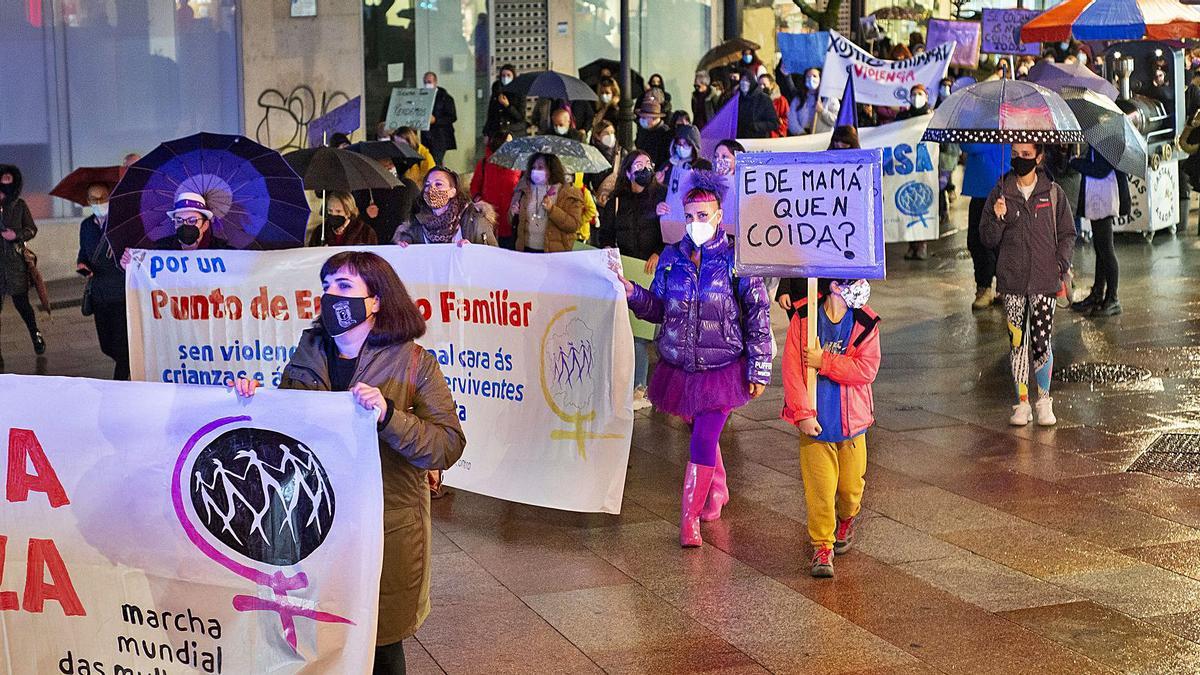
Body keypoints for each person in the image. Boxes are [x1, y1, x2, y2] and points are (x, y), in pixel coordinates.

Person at [231, 250, 466, 675]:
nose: (330, 296)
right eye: (326, 287)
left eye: (343, 287)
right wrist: (257, 399)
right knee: (319, 637)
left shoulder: (414, 363)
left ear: (375, 300)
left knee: (380, 642)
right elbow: (287, 426)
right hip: (314, 522)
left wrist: (389, 417)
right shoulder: (310, 352)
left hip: (385, 523)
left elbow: (447, 445)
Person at [617, 173, 771, 548]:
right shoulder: (671, 258)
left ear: (719, 216)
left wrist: (760, 366)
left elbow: (758, 315)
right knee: (702, 434)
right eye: (689, 216)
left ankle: (689, 520)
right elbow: (658, 310)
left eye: (703, 215)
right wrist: (633, 293)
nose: (695, 223)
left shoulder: (737, 260)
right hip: (680, 367)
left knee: (702, 441)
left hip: (722, 369)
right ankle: (716, 490)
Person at [782, 278, 880, 578]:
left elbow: (866, 369)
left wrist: (824, 360)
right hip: (816, 424)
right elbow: (792, 370)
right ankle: (822, 545)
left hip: (852, 425)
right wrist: (802, 414)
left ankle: (847, 519)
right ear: (835, 284)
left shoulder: (865, 320)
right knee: (820, 491)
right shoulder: (804, 317)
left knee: (850, 490)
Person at [980, 144, 1075, 427]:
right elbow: (986, 238)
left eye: (1026, 155)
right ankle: (1022, 403)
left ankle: (1044, 400)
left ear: (1039, 157)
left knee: (1041, 342)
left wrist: (1059, 264)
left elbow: (1068, 233)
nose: (1019, 160)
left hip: (1045, 282)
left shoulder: (1053, 193)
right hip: (1012, 283)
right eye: (1015, 154)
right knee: (1017, 344)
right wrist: (997, 217)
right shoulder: (1000, 192)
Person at [599, 151, 666, 408]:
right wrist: (609, 251)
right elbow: (605, 235)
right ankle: (635, 386)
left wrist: (658, 253)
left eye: (649, 164)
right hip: (626, 270)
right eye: (639, 165)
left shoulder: (659, 198)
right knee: (632, 330)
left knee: (650, 332)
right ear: (628, 172)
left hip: (651, 271)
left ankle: (648, 385)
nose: (645, 169)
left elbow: (670, 233)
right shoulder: (617, 202)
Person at [777, 127, 860, 316]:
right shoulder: (808, 197)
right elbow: (793, 241)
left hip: (840, 281)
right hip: (803, 285)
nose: (839, 147)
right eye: (836, 143)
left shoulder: (859, 186)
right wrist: (785, 287)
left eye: (845, 144)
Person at [1070, 149, 1130, 317]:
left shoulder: (1107, 138)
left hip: (1104, 197)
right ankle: (1098, 293)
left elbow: (1100, 170)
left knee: (1106, 249)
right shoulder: (1100, 136)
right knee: (1101, 248)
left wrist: (1074, 162)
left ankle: (1113, 299)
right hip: (1098, 196)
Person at [76, 181, 127, 379]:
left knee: (120, 345)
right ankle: (128, 364)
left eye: (102, 198)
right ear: (88, 201)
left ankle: (121, 381)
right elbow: (83, 253)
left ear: (110, 197)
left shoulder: (120, 224)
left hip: (120, 292)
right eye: (93, 199)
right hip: (99, 294)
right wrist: (82, 265)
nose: (98, 202)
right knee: (106, 345)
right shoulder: (86, 225)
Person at [960, 141, 1012, 309]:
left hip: (992, 188)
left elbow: (970, 146)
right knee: (978, 241)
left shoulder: (992, 121)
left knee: (986, 242)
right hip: (982, 189)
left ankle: (991, 288)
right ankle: (991, 288)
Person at [0, 165, 44, 359]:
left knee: (23, 305)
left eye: (8, 178)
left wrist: (15, 235)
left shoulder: (19, 205)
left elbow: (32, 229)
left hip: (15, 264)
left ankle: (36, 334)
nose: (4, 182)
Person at [396, 167, 497, 246]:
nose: (432, 189)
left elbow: (493, 256)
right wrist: (404, 246)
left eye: (438, 184)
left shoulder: (474, 220)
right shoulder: (416, 224)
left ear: (452, 192)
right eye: (427, 185)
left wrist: (473, 251)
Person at [509, 153, 585, 252]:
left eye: (540, 167)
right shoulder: (523, 189)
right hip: (526, 250)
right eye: (533, 167)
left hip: (554, 254)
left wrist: (552, 210)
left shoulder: (568, 193)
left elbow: (574, 225)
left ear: (552, 169)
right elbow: (511, 221)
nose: (535, 171)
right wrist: (513, 213)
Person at [469, 131, 521, 249]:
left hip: (511, 221)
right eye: (508, 142)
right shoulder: (483, 164)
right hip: (489, 220)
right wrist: (481, 203)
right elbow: (474, 187)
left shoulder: (517, 165)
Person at [356, 156, 420, 244]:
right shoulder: (365, 191)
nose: (389, 168)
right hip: (376, 246)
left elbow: (421, 213)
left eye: (390, 164)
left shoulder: (408, 186)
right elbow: (356, 223)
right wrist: (366, 215)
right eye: (383, 166)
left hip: (404, 245)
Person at [309, 191, 378, 246]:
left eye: (338, 211)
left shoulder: (366, 232)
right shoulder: (320, 232)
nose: (333, 214)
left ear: (349, 212)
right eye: (330, 210)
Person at [420, 72, 458, 166]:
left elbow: (452, 117)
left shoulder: (445, 98)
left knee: (436, 161)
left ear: (435, 82)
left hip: (440, 136)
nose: (427, 84)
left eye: (429, 82)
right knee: (428, 161)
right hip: (426, 136)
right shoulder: (421, 97)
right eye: (425, 82)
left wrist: (436, 120)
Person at [584, 120, 624, 207]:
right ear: (597, 136)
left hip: (618, 202)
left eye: (612, 132)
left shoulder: (621, 153)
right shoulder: (591, 156)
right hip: (599, 202)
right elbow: (585, 182)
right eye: (606, 133)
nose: (610, 136)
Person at [787, 68, 838, 135]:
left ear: (820, 78)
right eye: (808, 76)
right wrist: (800, 132)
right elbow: (792, 119)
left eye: (814, 76)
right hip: (802, 137)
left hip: (823, 138)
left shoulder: (829, 98)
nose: (811, 79)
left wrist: (822, 111)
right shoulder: (798, 99)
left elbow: (837, 121)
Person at [736, 69, 781, 140]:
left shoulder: (763, 99)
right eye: (742, 80)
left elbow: (774, 123)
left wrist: (756, 126)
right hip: (740, 139)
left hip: (758, 140)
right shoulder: (736, 98)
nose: (744, 83)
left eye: (747, 80)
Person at [484, 64, 526, 137]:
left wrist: (507, 105)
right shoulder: (497, 90)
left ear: (513, 77)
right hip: (498, 132)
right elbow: (491, 114)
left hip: (514, 132)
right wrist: (486, 132)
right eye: (503, 75)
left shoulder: (519, 92)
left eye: (508, 75)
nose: (505, 78)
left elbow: (520, 117)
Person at [634, 99, 674, 168]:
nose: (641, 119)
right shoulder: (643, 129)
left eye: (644, 117)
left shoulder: (666, 134)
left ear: (654, 118)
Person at [758, 73, 790, 138]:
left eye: (764, 84)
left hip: (776, 136)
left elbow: (787, 119)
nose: (762, 87)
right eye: (759, 85)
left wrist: (778, 122)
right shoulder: (756, 100)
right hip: (760, 136)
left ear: (771, 85)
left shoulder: (781, 100)